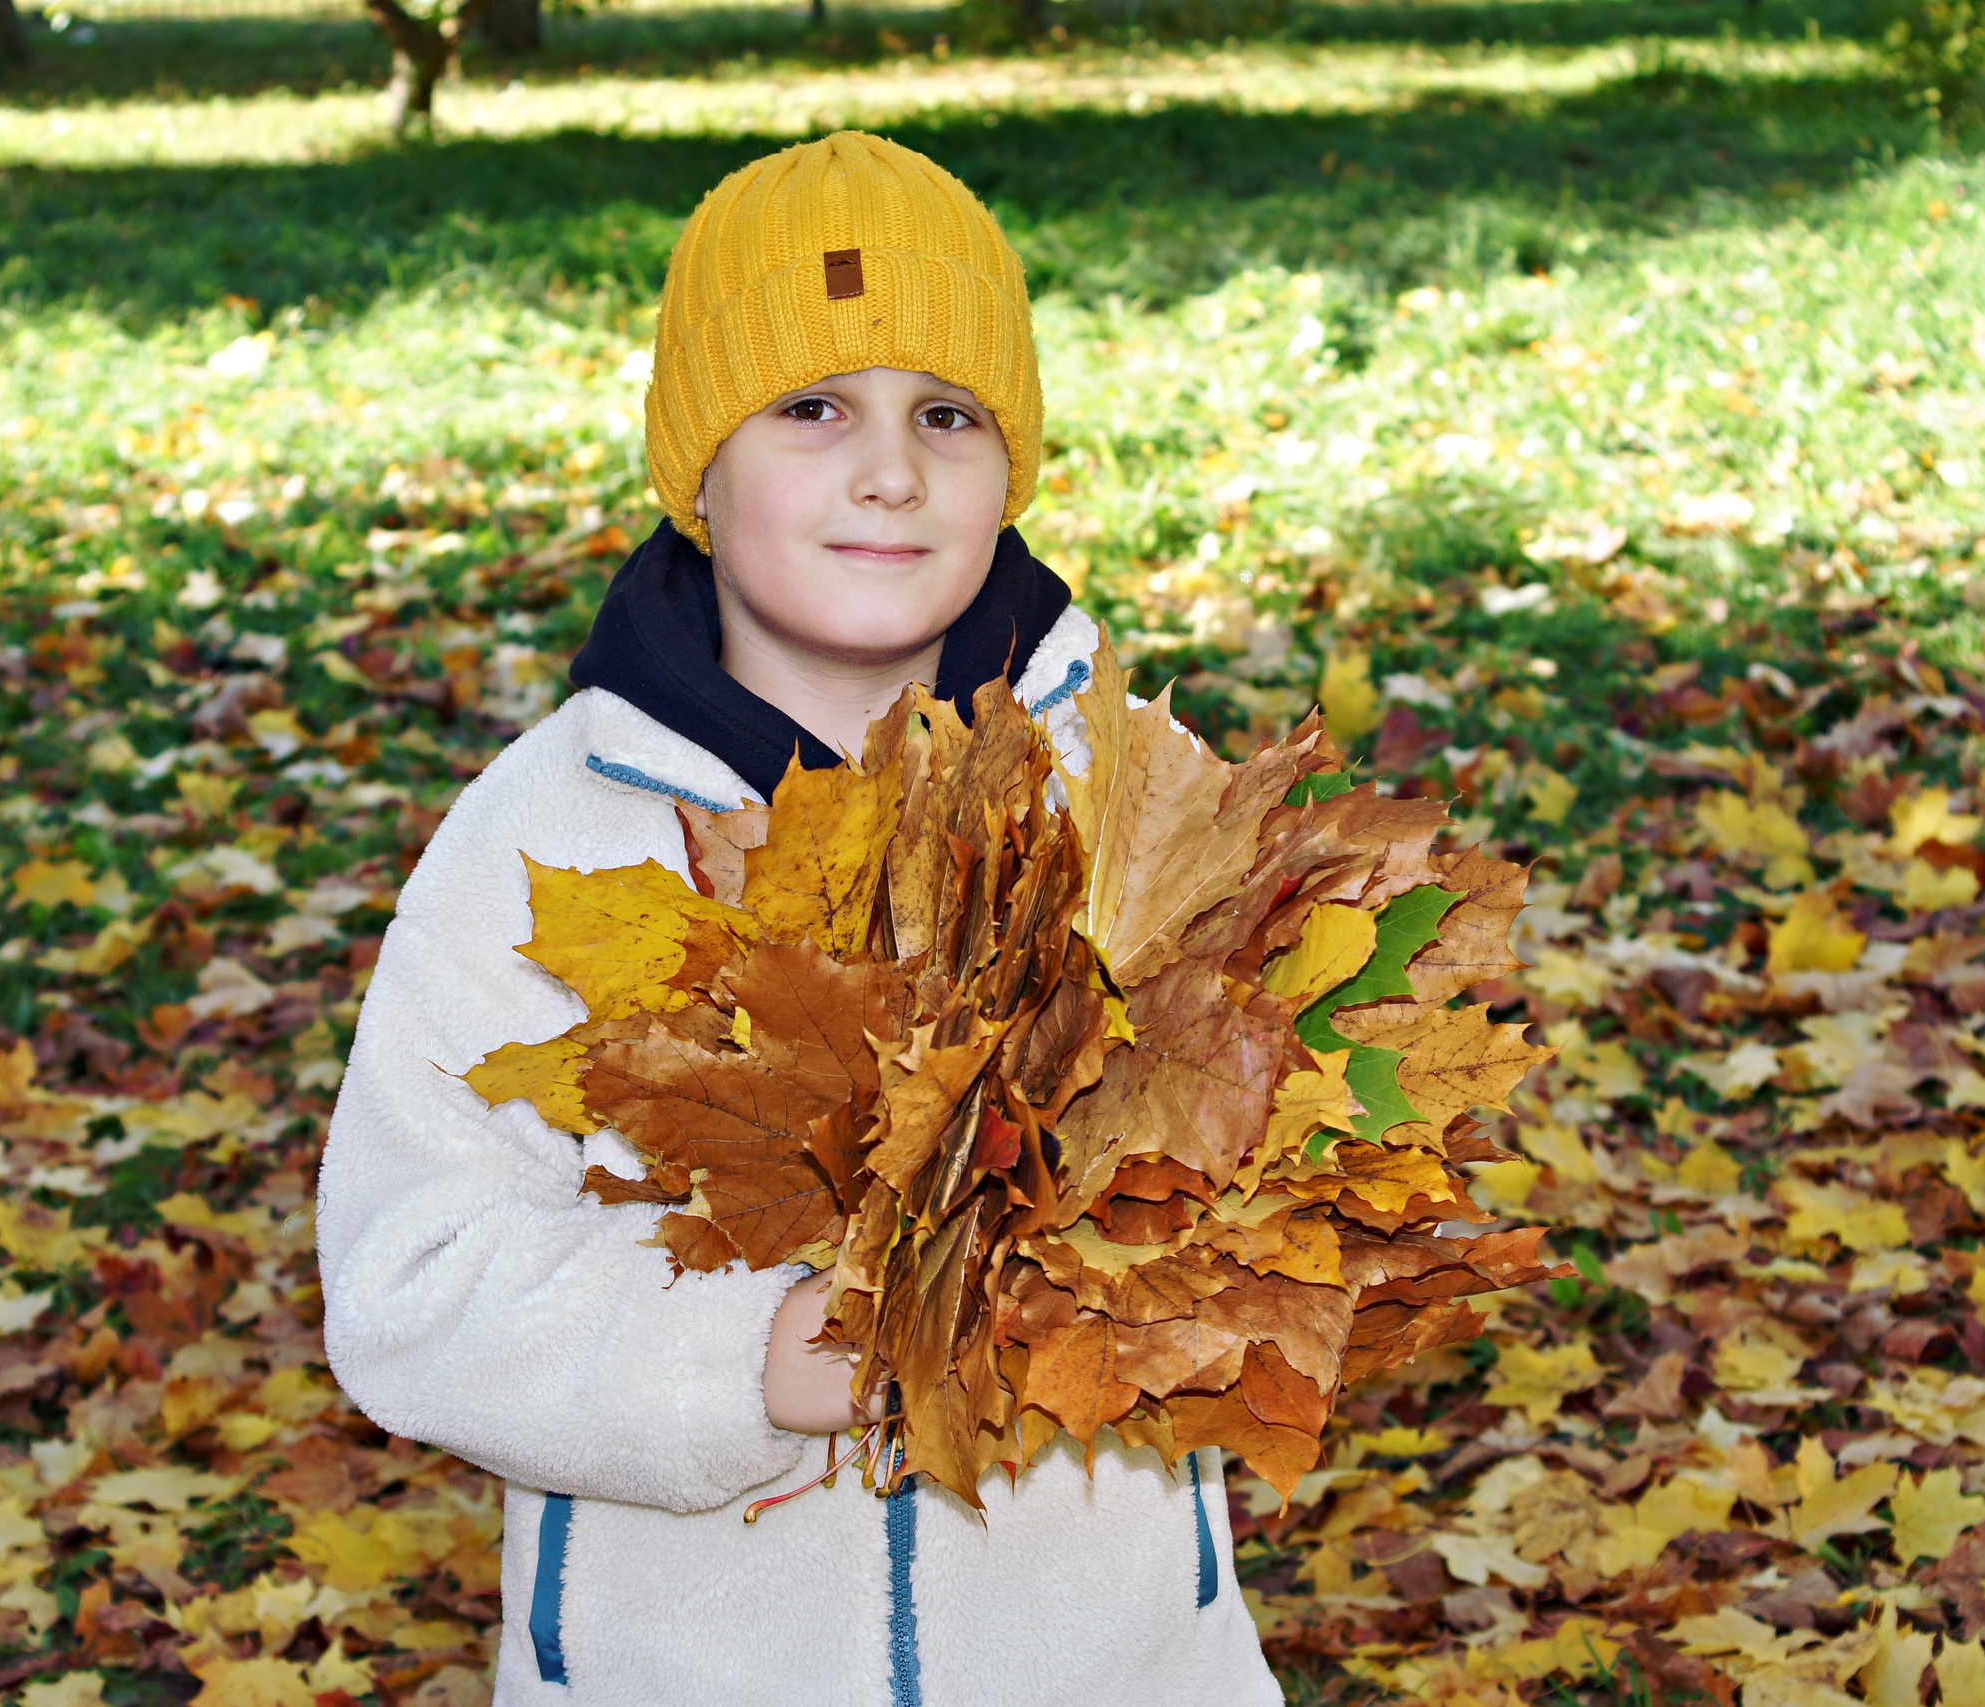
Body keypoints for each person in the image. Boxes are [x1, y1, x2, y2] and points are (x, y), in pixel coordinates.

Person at [316, 131, 1280, 1707]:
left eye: (946, 415)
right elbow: (416, 1271)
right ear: (699, 469)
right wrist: (742, 1364)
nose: (887, 469)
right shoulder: (551, 837)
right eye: (812, 408)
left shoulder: (1127, 800)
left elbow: (1273, 1181)